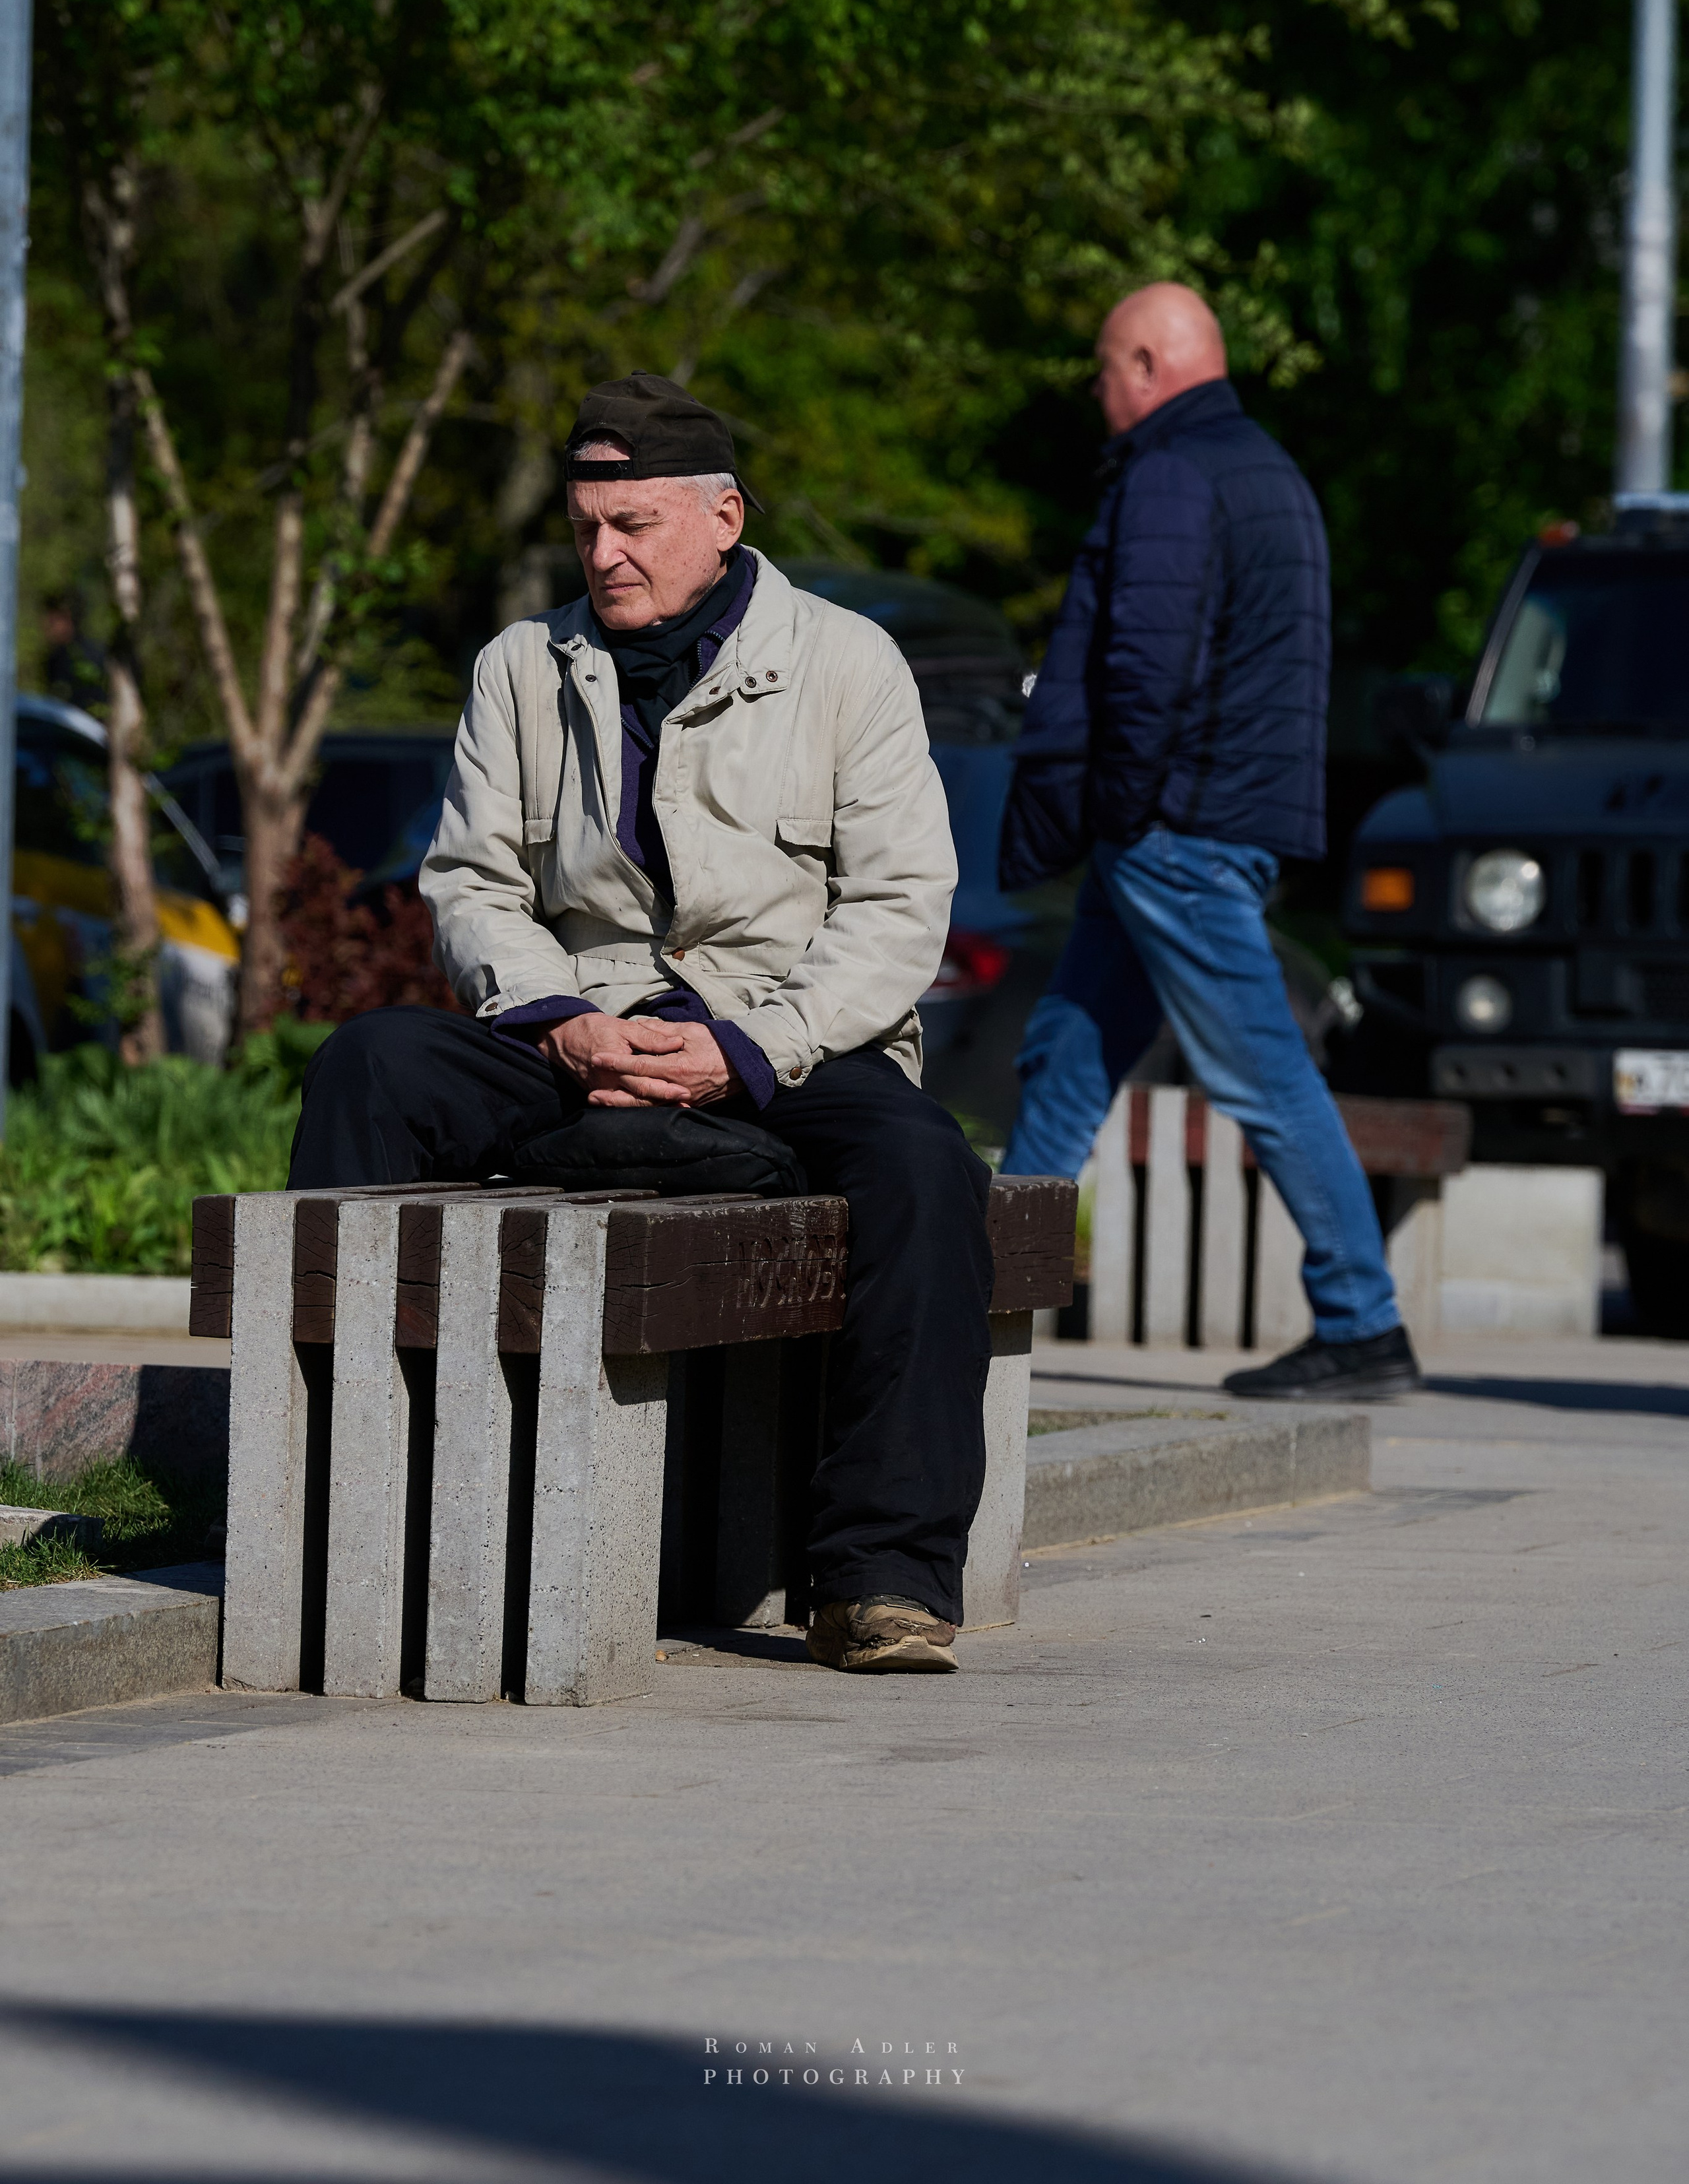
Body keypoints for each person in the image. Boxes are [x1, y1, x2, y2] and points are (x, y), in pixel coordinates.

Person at [288, 371, 992, 1673]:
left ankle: (881, 1578)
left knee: (926, 1165)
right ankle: (342, 1511)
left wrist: (744, 1049)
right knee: (371, 1066)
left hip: (786, 1044)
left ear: (723, 517)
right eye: (584, 530)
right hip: (584, 1034)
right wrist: (562, 1019)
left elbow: (900, 910)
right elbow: (472, 884)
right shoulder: (521, 666)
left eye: (633, 526)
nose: (603, 554)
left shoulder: (847, 663)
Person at [1000, 286, 1417, 1400]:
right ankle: (980, 1301)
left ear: (1146, 363)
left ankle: (1364, 1323)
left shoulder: (1174, 474)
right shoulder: (1265, 468)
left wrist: (1123, 806)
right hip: (1200, 821)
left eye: (1103, 370)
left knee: (1264, 1072)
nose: (1099, 393)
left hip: (1176, 830)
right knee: (1066, 1051)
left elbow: (1146, 664)